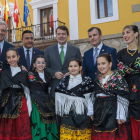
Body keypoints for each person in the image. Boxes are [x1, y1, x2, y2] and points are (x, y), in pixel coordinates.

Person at [88, 53, 129, 140]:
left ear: (110, 64)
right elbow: (93, 95)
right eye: (98, 64)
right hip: (98, 111)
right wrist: (91, 111)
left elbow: (123, 96)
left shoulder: (117, 77)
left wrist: (121, 115)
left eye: (103, 63)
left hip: (112, 111)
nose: (100, 66)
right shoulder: (98, 78)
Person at [55, 58, 94, 140]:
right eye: (70, 66)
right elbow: (59, 95)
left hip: (83, 113)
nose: (73, 68)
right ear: (68, 68)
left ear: (80, 67)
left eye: (75, 66)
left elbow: (91, 98)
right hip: (67, 113)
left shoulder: (87, 80)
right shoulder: (64, 80)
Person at [0, 48, 32, 140]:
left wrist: (29, 109)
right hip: (5, 104)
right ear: (6, 59)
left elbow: (27, 91)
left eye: (13, 56)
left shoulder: (24, 73)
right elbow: (1, 90)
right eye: (9, 57)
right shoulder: (4, 73)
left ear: (18, 57)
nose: (11, 59)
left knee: (20, 130)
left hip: (20, 104)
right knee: (7, 130)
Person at [44, 26, 82, 98]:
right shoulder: (48, 50)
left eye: (63, 34)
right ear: (56, 36)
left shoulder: (75, 50)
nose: (61, 36)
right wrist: (54, 73)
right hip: (54, 85)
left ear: (68, 35)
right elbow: (45, 67)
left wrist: (72, 72)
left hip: (72, 85)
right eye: (59, 34)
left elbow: (80, 66)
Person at [117, 25, 140, 140]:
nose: (125, 35)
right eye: (123, 33)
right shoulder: (120, 54)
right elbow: (118, 75)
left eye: (127, 32)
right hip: (126, 92)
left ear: (136, 34)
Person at [28, 55, 58, 140]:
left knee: (49, 121)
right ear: (34, 64)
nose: (40, 64)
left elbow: (49, 88)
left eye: (43, 62)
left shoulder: (48, 75)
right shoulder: (30, 74)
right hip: (36, 102)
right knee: (38, 121)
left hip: (47, 102)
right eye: (38, 62)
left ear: (45, 64)